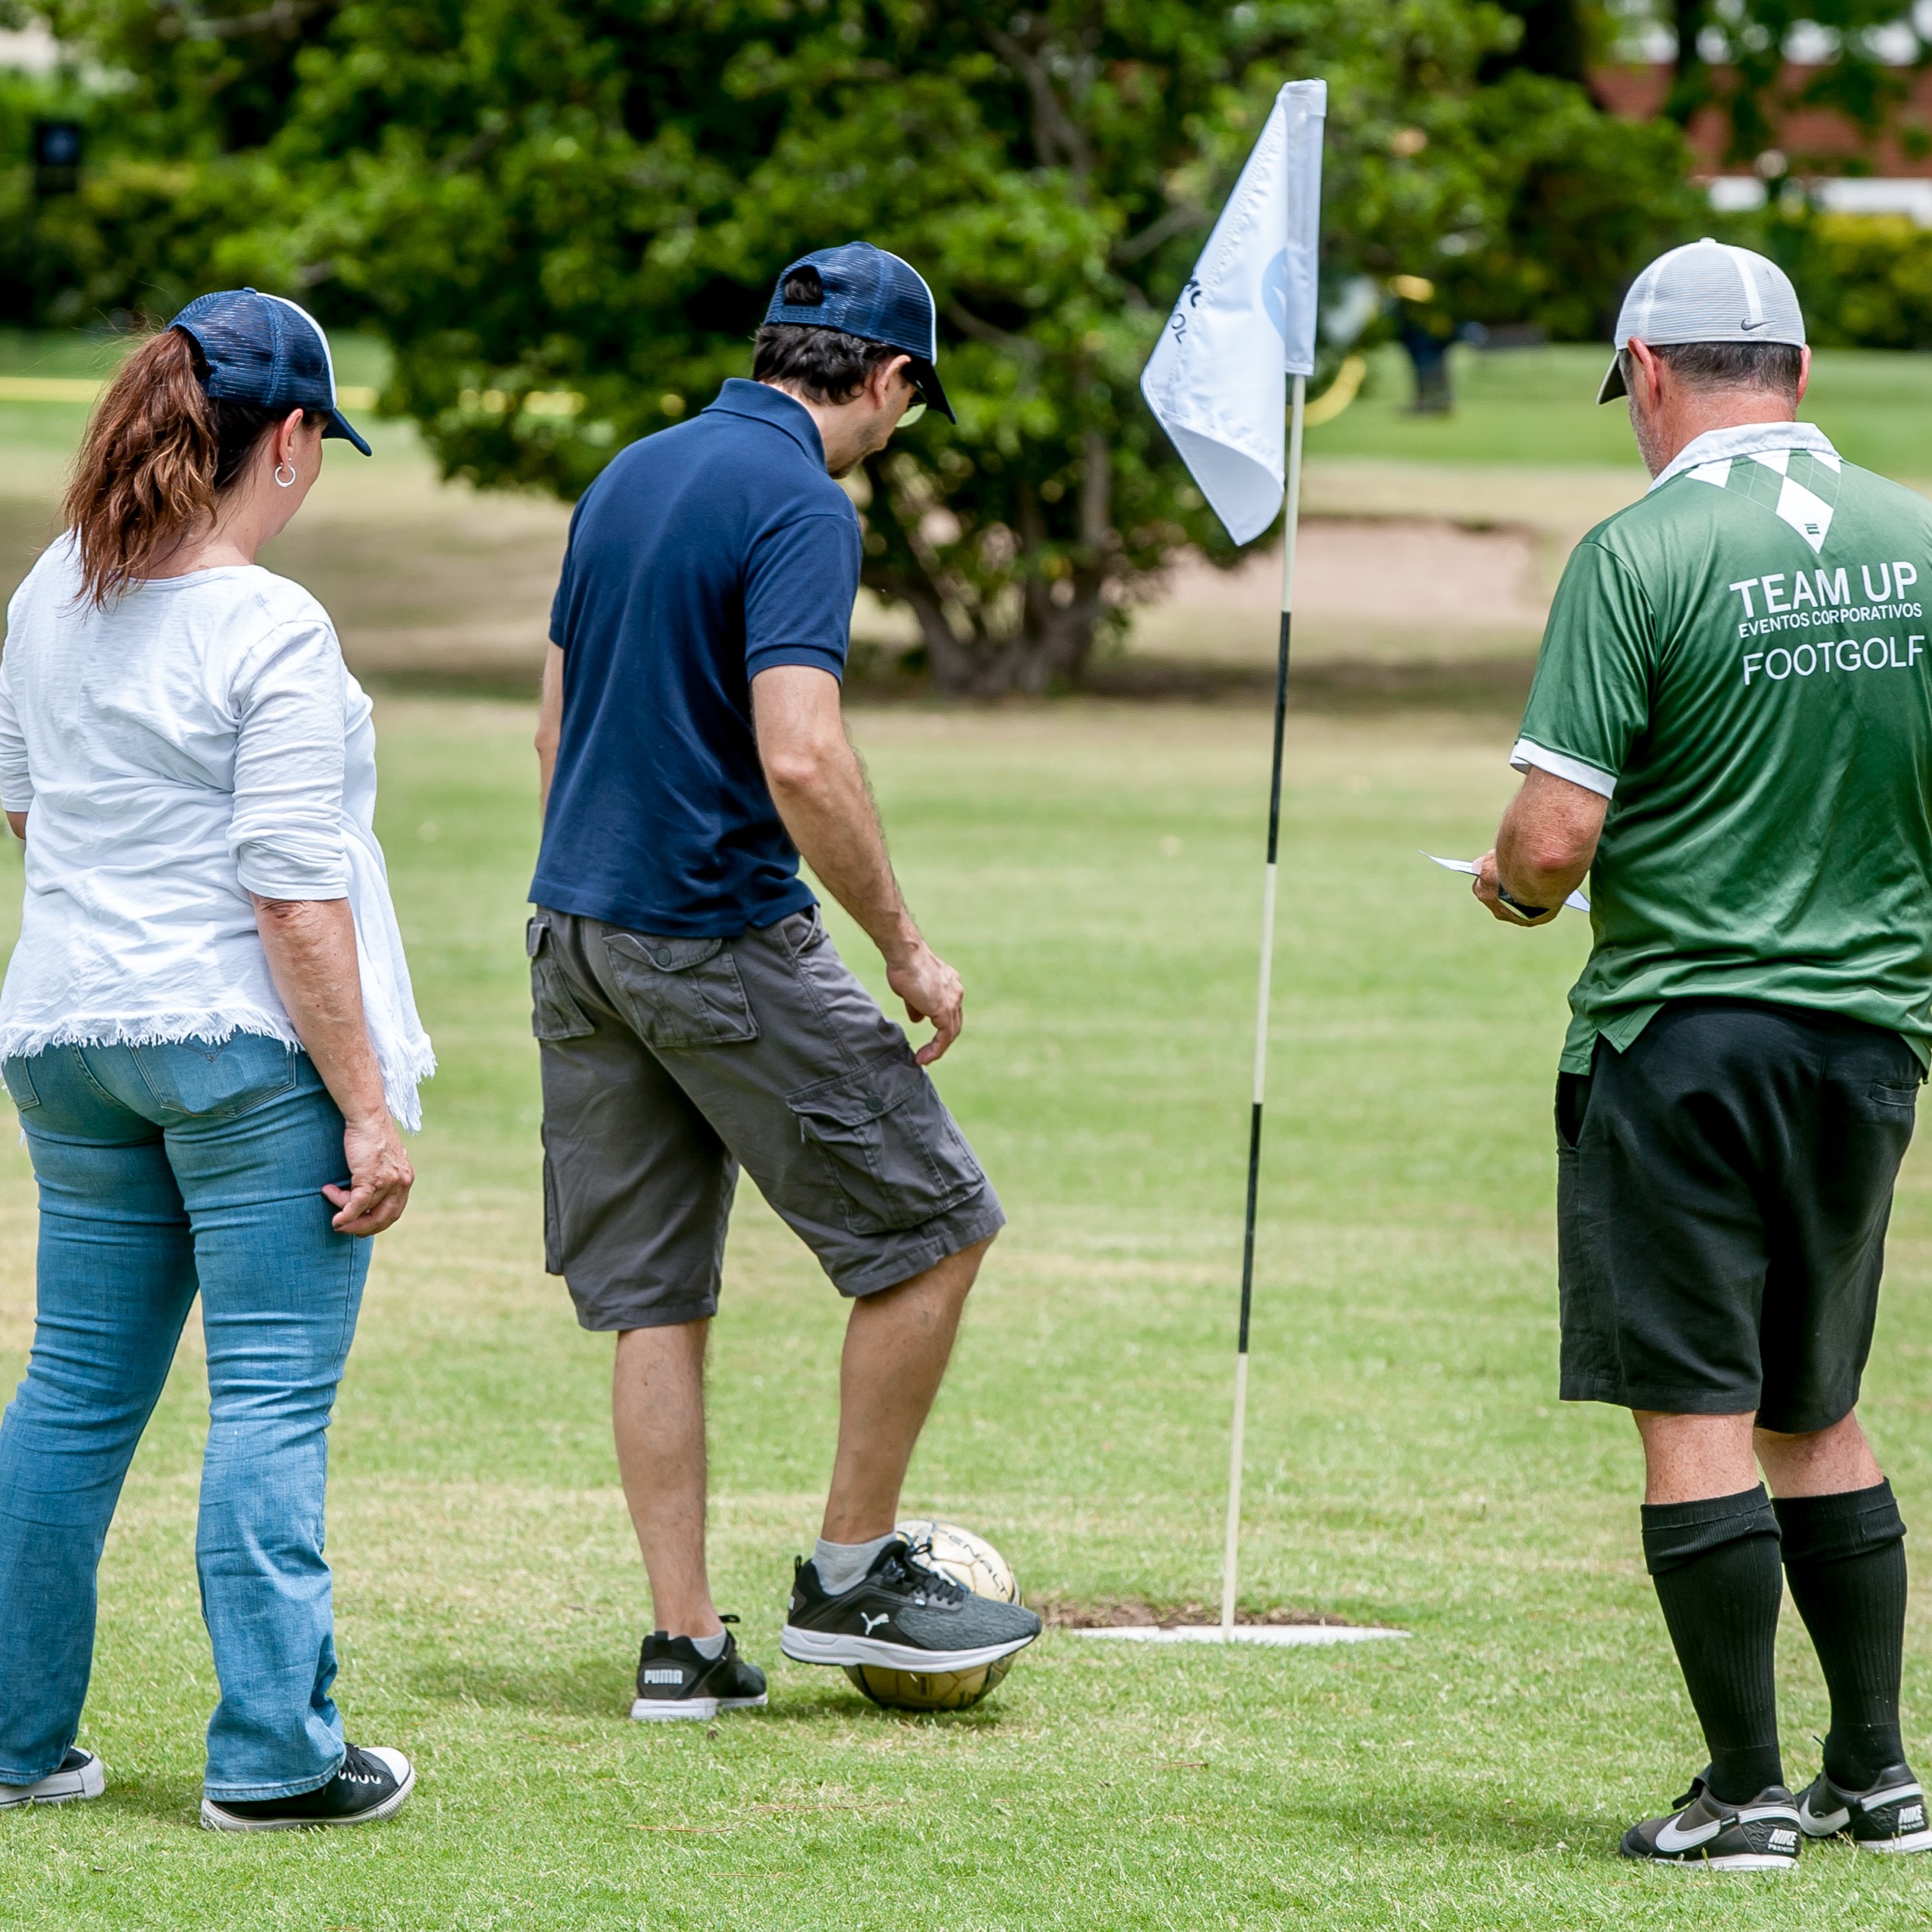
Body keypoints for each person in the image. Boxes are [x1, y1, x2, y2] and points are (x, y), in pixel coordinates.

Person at [530, 241, 1040, 1720]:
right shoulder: (802, 505)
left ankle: (683, 1649)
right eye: (910, 407)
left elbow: (556, 729)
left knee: (652, 1297)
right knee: (937, 1230)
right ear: (888, 380)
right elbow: (802, 751)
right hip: (714, 934)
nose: (899, 433)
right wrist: (905, 947)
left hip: (577, 930)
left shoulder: (628, 474)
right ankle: (851, 1576)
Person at [1475, 239, 1932, 1867]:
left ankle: (1742, 1791)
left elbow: (1552, 834)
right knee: (1820, 1401)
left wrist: (1511, 892)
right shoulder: (1917, 537)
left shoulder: (1635, 553)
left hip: (1682, 1036)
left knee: (1696, 1403)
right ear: (1797, 373)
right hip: (1872, 1043)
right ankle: (1876, 1777)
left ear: (1651, 373)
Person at [0, 291, 433, 1829]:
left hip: (66, 1037)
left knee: (68, 1399)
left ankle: (14, 1745)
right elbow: (290, 893)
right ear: (294, 438)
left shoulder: (51, 589)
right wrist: (369, 1111)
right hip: (241, 1052)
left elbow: (32, 819)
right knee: (266, 1398)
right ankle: (274, 1758)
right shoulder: (271, 622)